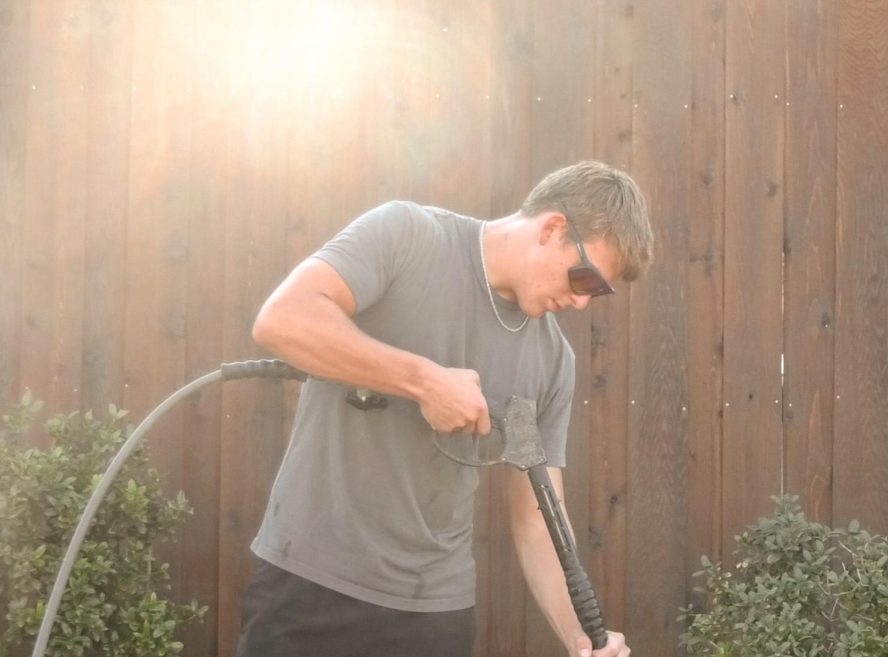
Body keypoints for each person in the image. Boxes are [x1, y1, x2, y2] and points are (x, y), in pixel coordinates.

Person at [237, 161, 653, 657]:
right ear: (552, 228)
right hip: (311, 585)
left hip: (435, 614)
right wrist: (423, 381)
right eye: (585, 280)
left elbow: (537, 518)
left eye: (597, 292)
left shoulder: (552, 361)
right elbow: (283, 319)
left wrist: (581, 639)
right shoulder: (407, 236)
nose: (583, 303)